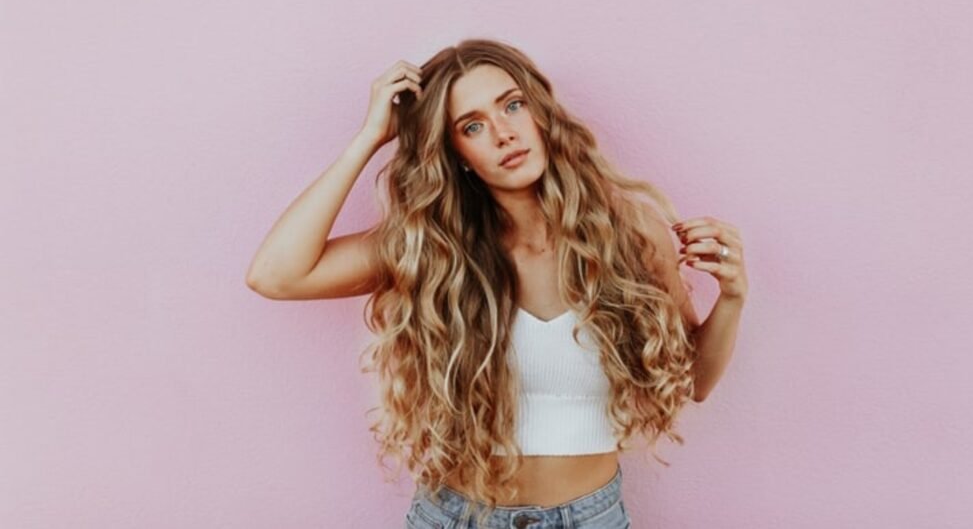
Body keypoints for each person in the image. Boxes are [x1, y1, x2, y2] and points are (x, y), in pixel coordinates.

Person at [246, 38, 748, 528]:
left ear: (540, 113)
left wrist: (731, 297)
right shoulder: (433, 249)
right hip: (456, 517)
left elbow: (694, 382)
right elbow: (276, 275)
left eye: (512, 105)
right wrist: (370, 137)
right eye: (473, 126)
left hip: (590, 518)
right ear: (457, 153)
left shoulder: (629, 234)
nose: (503, 134)